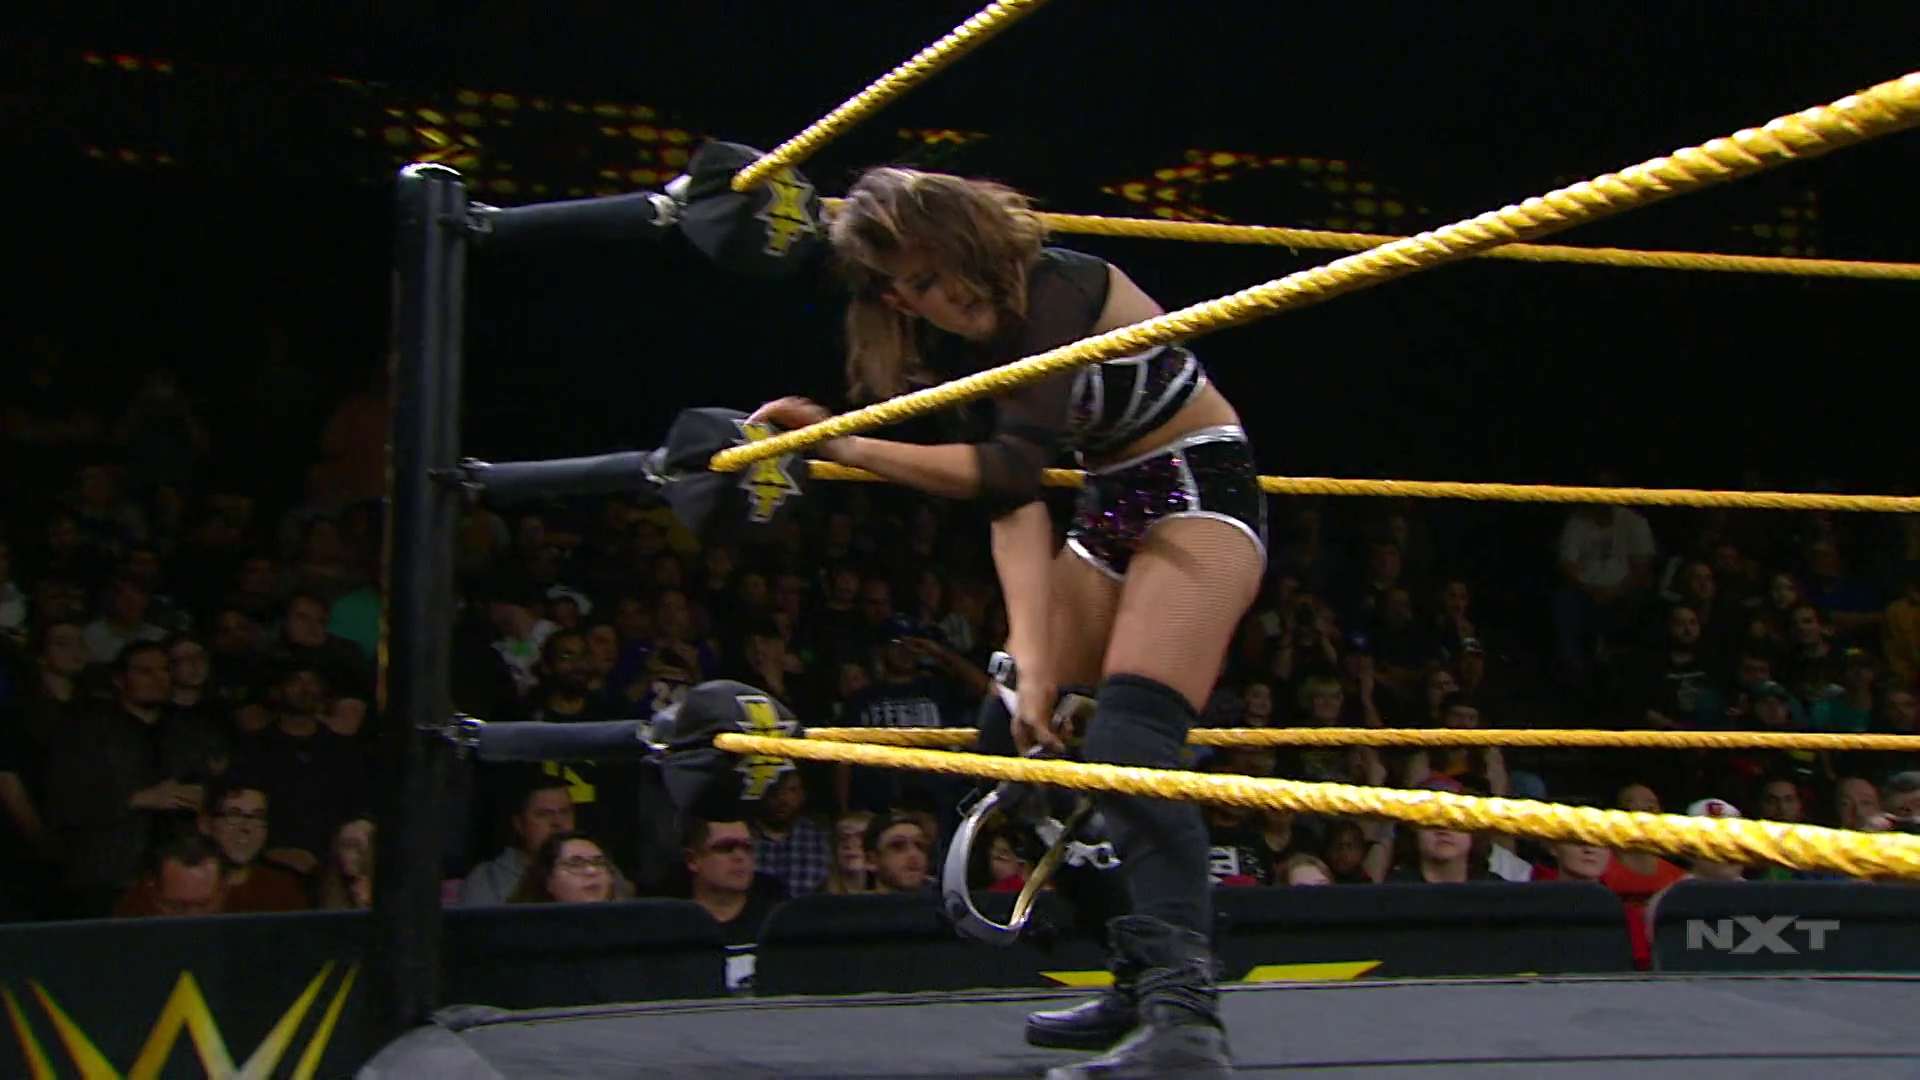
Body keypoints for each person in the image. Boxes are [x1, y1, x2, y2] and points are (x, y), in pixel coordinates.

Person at [751, 166, 1261, 1079]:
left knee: (1130, 744)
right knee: (1009, 742)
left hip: (1196, 491)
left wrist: (846, 444)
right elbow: (1013, 508)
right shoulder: (975, 344)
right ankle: (1139, 975)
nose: (935, 297)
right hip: (1109, 511)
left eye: (937, 270)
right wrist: (1031, 660)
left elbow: (1010, 472)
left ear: (971, 243)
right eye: (911, 287)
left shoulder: (1061, 285)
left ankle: (1188, 1025)